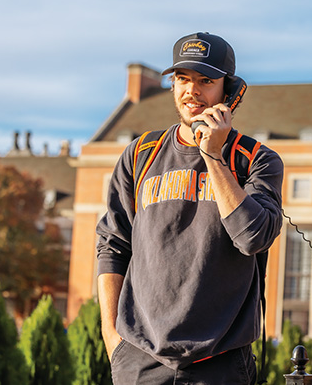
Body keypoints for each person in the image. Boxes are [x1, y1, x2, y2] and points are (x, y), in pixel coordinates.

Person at [96, 32, 284, 384]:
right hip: (140, 360)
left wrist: (213, 155)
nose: (191, 91)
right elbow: (113, 245)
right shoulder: (140, 155)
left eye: (205, 81)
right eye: (182, 79)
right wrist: (112, 338)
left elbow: (253, 237)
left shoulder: (257, 161)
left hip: (220, 362)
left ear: (229, 92)